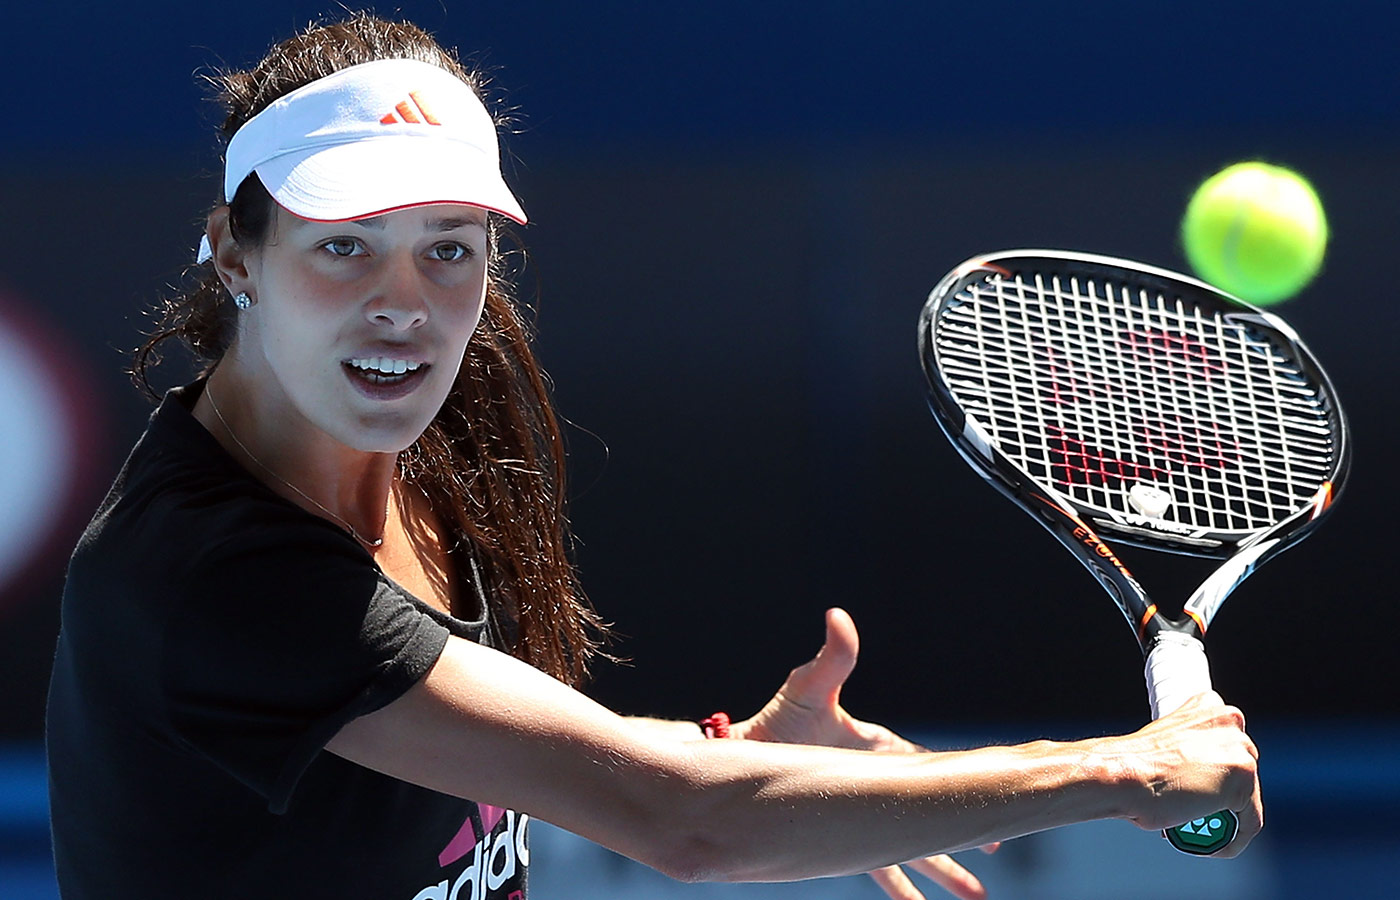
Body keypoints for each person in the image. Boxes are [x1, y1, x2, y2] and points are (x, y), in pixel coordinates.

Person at [45, 13, 1262, 900]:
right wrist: (1121, 771)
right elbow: (676, 825)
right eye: (344, 248)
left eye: (449, 248)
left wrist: (736, 760)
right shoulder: (217, 578)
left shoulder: (419, 449)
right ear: (235, 251)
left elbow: (551, 763)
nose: (405, 304)